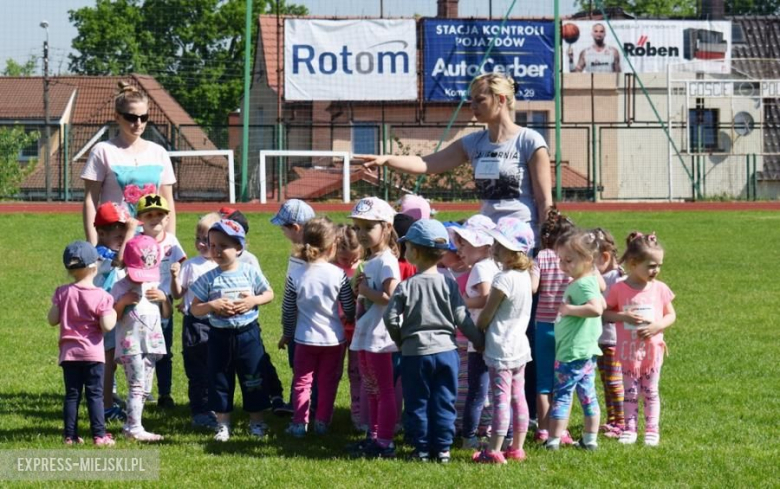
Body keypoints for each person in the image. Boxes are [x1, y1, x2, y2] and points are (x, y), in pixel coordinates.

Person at [358, 73, 553, 242]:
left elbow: (544, 201)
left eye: (480, 100)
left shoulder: (529, 140)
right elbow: (426, 163)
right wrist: (388, 160)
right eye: (471, 100)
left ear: (501, 100)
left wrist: (546, 244)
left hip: (521, 239)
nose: (472, 106)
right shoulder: (473, 142)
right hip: (486, 237)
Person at [384, 219, 484, 464]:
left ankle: (421, 449)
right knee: (444, 400)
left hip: (414, 354)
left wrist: (401, 339)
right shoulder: (449, 284)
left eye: (406, 246)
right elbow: (462, 318)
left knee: (417, 402)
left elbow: (391, 317)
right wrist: (478, 340)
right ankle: (443, 448)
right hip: (447, 353)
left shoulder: (406, 287)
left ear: (415, 252)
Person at [190, 220, 275, 442]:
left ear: (239, 248)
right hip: (219, 337)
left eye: (223, 245)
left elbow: (269, 294)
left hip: (248, 334)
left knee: (253, 377)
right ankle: (223, 424)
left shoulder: (249, 271)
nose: (216, 250)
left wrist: (253, 301)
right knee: (219, 379)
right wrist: (212, 306)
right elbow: (194, 308)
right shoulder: (208, 278)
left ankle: (257, 422)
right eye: (213, 245)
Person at [282, 217, 356, 437]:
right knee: (328, 383)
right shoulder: (338, 274)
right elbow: (348, 305)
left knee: (302, 382)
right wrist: (350, 318)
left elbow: (288, 310)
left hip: (304, 339)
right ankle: (323, 422)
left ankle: (298, 423)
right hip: (334, 339)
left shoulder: (295, 275)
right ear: (333, 245)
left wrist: (287, 333)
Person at [82, 81, 176, 245]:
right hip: (114, 241)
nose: (138, 123)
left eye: (143, 117)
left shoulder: (159, 152)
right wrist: (93, 243)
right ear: (117, 116)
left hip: (151, 242)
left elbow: (168, 202)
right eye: (131, 117)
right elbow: (91, 200)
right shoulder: (103, 150)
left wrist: (170, 242)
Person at [472, 218, 535, 464]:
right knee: (518, 397)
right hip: (519, 346)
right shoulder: (524, 277)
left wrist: (478, 328)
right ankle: (517, 447)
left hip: (501, 347)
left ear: (512, 252)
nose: (494, 248)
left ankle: (494, 450)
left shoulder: (502, 279)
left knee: (500, 399)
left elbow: (488, 312)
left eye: (499, 245)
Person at [604, 232, 676, 447]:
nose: (656, 270)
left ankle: (652, 429)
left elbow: (671, 315)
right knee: (631, 392)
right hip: (628, 353)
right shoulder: (619, 289)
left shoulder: (660, 289)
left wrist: (657, 326)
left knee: (651, 391)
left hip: (652, 352)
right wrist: (623, 317)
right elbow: (605, 314)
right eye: (651, 266)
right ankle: (630, 428)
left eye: (659, 265)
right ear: (634, 264)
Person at [49, 241, 117, 446]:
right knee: (95, 395)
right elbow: (106, 325)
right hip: (93, 355)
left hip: (69, 354)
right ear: (94, 267)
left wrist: (57, 305)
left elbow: (52, 319)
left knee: (72, 395)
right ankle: (99, 435)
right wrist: (112, 312)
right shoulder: (102, 296)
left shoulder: (62, 292)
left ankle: (70, 436)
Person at [348, 197, 401, 458]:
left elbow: (393, 297)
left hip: (381, 336)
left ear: (386, 227)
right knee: (371, 387)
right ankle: (374, 435)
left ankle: (386, 440)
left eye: (368, 227)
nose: (361, 233)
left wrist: (367, 291)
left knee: (383, 389)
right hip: (367, 332)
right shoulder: (372, 259)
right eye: (358, 228)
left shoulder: (387, 261)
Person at [545, 229, 604, 451]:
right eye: (561, 260)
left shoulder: (581, 284)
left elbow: (596, 309)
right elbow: (603, 303)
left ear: (588, 260)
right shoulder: (589, 281)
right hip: (586, 351)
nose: (563, 265)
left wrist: (568, 309)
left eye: (569, 260)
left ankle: (553, 441)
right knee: (588, 396)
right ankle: (590, 439)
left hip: (571, 352)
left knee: (562, 396)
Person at [110, 234, 170, 442]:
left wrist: (164, 299)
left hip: (151, 343)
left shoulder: (153, 283)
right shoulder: (120, 287)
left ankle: (132, 424)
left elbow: (166, 314)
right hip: (131, 345)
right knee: (136, 386)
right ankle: (134, 428)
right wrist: (122, 302)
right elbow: (112, 318)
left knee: (145, 388)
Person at [450, 215, 499, 450]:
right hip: (495, 337)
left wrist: (461, 302)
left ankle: (468, 435)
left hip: (480, 337)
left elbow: (486, 298)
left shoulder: (480, 268)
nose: (461, 249)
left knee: (476, 390)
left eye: (466, 244)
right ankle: (492, 429)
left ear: (484, 246)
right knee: (492, 389)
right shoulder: (494, 265)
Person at [134, 193, 186, 408]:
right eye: (149, 214)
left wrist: (169, 294)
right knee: (138, 349)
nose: (154, 218)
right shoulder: (135, 241)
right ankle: (138, 391)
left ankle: (165, 393)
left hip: (162, 304)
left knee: (163, 350)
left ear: (167, 218)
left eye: (159, 214)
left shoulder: (171, 242)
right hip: (139, 302)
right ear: (140, 219)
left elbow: (181, 266)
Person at [170, 212, 221, 429]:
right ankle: (199, 410)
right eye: (198, 238)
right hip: (195, 324)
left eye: (206, 240)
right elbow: (178, 294)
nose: (201, 244)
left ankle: (218, 408)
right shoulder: (191, 265)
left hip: (219, 324)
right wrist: (174, 277)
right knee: (197, 369)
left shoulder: (223, 265)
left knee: (218, 368)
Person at [530, 208, 574, 444]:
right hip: (568, 326)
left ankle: (543, 429)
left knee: (543, 380)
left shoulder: (542, 257)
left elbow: (533, 288)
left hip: (544, 325)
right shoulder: (573, 259)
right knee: (565, 380)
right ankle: (562, 429)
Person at [271, 199, 316, 409]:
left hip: (301, 327)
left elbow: (292, 300)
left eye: (284, 227)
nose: (282, 232)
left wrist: (288, 330)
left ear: (296, 228)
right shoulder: (324, 255)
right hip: (321, 326)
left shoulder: (299, 259)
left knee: (300, 367)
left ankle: (300, 407)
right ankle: (314, 407)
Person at [92, 202, 131, 423]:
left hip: (114, 312)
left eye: (125, 229)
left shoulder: (111, 249)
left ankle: (108, 397)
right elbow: (121, 261)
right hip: (104, 314)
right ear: (101, 233)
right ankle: (105, 406)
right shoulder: (100, 253)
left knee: (112, 359)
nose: (123, 235)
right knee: (107, 360)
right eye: (118, 231)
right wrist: (132, 234)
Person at [593, 227, 626, 438]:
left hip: (614, 339)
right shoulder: (603, 275)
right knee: (605, 380)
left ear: (605, 257)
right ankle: (612, 419)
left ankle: (621, 422)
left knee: (615, 381)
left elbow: (621, 309)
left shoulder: (618, 278)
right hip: (600, 338)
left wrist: (601, 311)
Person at [333, 224, 364, 431]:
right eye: (345, 259)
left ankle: (358, 413)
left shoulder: (364, 267)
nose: (350, 262)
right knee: (332, 373)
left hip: (358, 332)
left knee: (357, 374)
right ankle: (323, 411)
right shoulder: (331, 268)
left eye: (354, 258)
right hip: (334, 331)